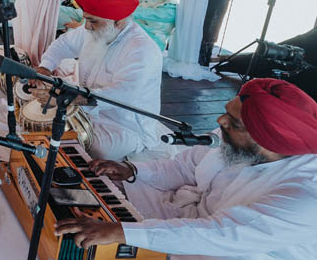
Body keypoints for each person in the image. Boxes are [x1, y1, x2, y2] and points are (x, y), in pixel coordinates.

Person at [55, 78, 317, 260]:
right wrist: (131, 171)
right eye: (227, 112)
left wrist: (119, 231)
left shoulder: (306, 196)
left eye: (233, 123)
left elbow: (221, 234)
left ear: (265, 142)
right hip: (195, 216)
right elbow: (183, 165)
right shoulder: (231, 136)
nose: (220, 121)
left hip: (232, 248)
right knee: (102, 189)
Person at [36, 0, 163, 160]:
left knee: (98, 149)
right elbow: (63, 44)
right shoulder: (96, 29)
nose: (86, 26)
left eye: (92, 21)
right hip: (84, 103)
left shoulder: (142, 51)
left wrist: (77, 98)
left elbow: (123, 95)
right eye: (86, 19)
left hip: (123, 122)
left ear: (118, 22)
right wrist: (45, 68)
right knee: (41, 109)